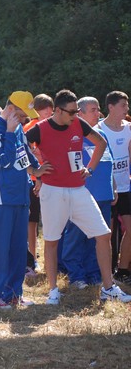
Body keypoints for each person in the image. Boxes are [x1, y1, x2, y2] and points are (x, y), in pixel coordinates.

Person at [26, 89, 131, 304]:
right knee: (52, 241)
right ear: (57, 110)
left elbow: (101, 144)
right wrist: (34, 171)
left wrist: (89, 169)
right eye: (71, 112)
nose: (75, 116)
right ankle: (53, 291)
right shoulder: (40, 129)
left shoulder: (78, 124)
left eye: (76, 112)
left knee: (103, 234)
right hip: (52, 191)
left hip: (79, 189)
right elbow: (19, 148)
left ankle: (108, 288)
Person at [0, 91, 50, 308]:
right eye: (21, 114)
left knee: (19, 249)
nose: (23, 120)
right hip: (0, 199)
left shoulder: (18, 127)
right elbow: (4, 160)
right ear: (10, 109)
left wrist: (36, 172)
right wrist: (10, 133)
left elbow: (24, 154)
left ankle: (13, 294)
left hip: (21, 196)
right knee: (0, 250)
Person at [61, 97, 113, 289]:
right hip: (80, 195)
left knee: (99, 238)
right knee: (76, 237)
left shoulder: (101, 135)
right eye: (92, 109)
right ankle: (76, 276)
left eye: (98, 109)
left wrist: (113, 188)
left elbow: (109, 162)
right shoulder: (71, 135)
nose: (97, 113)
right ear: (79, 113)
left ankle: (94, 274)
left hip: (103, 195)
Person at [96, 91, 131, 285]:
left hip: (126, 187)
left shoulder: (129, 128)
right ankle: (106, 273)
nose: (127, 109)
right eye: (123, 105)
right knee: (106, 233)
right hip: (106, 188)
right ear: (111, 107)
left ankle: (123, 270)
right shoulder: (99, 129)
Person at [23, 94, 54, 276]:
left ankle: (51, 260)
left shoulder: (55, 125)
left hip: (52, 180)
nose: (48, 113)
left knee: (50, 221)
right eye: (44, 109)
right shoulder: (30, 127)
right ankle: (32, 259)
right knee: (32, 221)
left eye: (50, 109)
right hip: (34, 181)